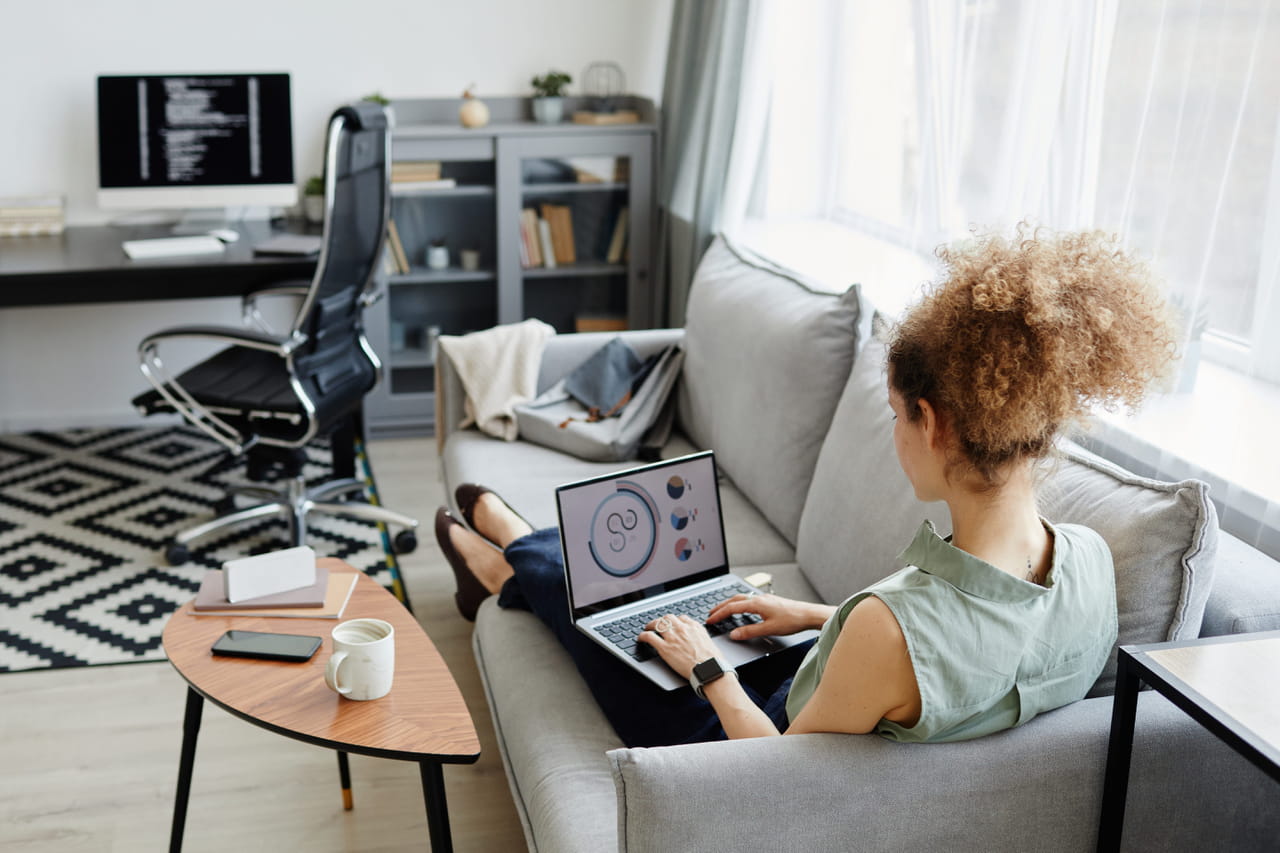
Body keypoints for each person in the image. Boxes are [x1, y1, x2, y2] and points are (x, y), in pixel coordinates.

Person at [434, 226, 1177, 749]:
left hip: (737, 728)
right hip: (843, 688)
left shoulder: (891, 629)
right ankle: (511, 558)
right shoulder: (1088, 563)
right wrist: (818, 614)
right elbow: (963, 651)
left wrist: (706, 669)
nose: (893, 436)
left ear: (936, 423)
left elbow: (782, 773)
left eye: (895, 416)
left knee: (623, 622)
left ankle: (508, 563)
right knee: (673, 611)